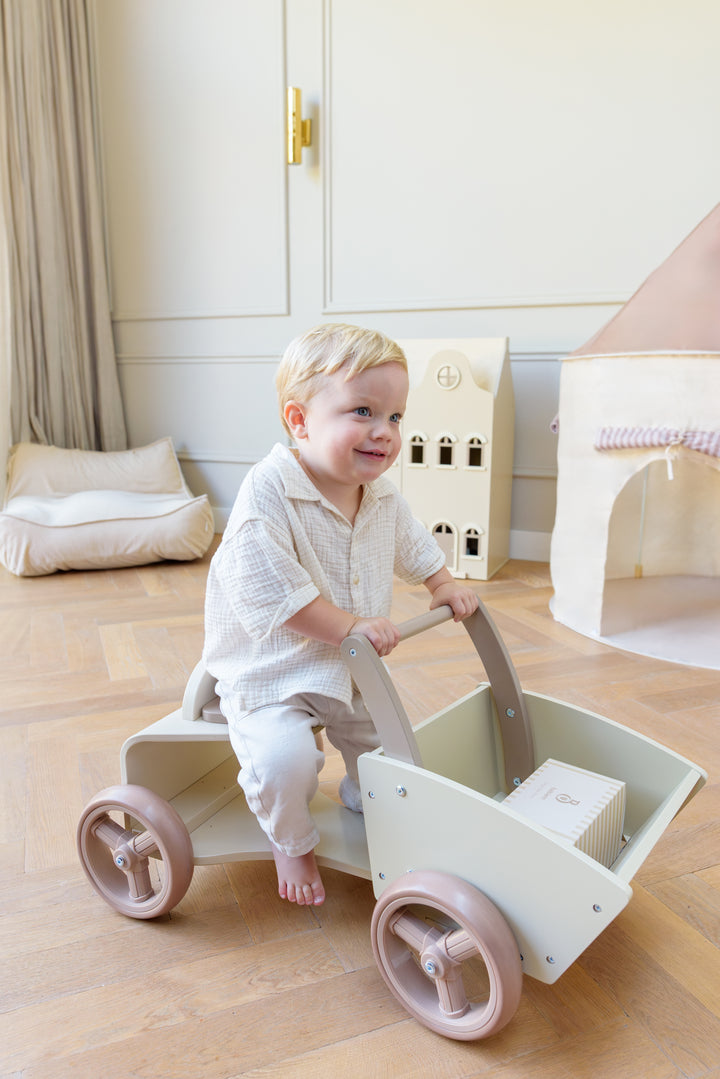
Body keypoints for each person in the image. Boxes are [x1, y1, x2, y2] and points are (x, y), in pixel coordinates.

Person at [202, 323, 479, 907]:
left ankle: (363, 794)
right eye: (363, 411)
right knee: (286, 761)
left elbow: (413, 544)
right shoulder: (266, 495)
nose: (385, 432)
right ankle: (292, 839)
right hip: (272, 674)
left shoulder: (378, 493)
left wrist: (442, 581)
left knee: (387, 746)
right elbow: (277, 597)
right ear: (300, 421)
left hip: (349, 669)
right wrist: (350, 626)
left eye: (397, 417)